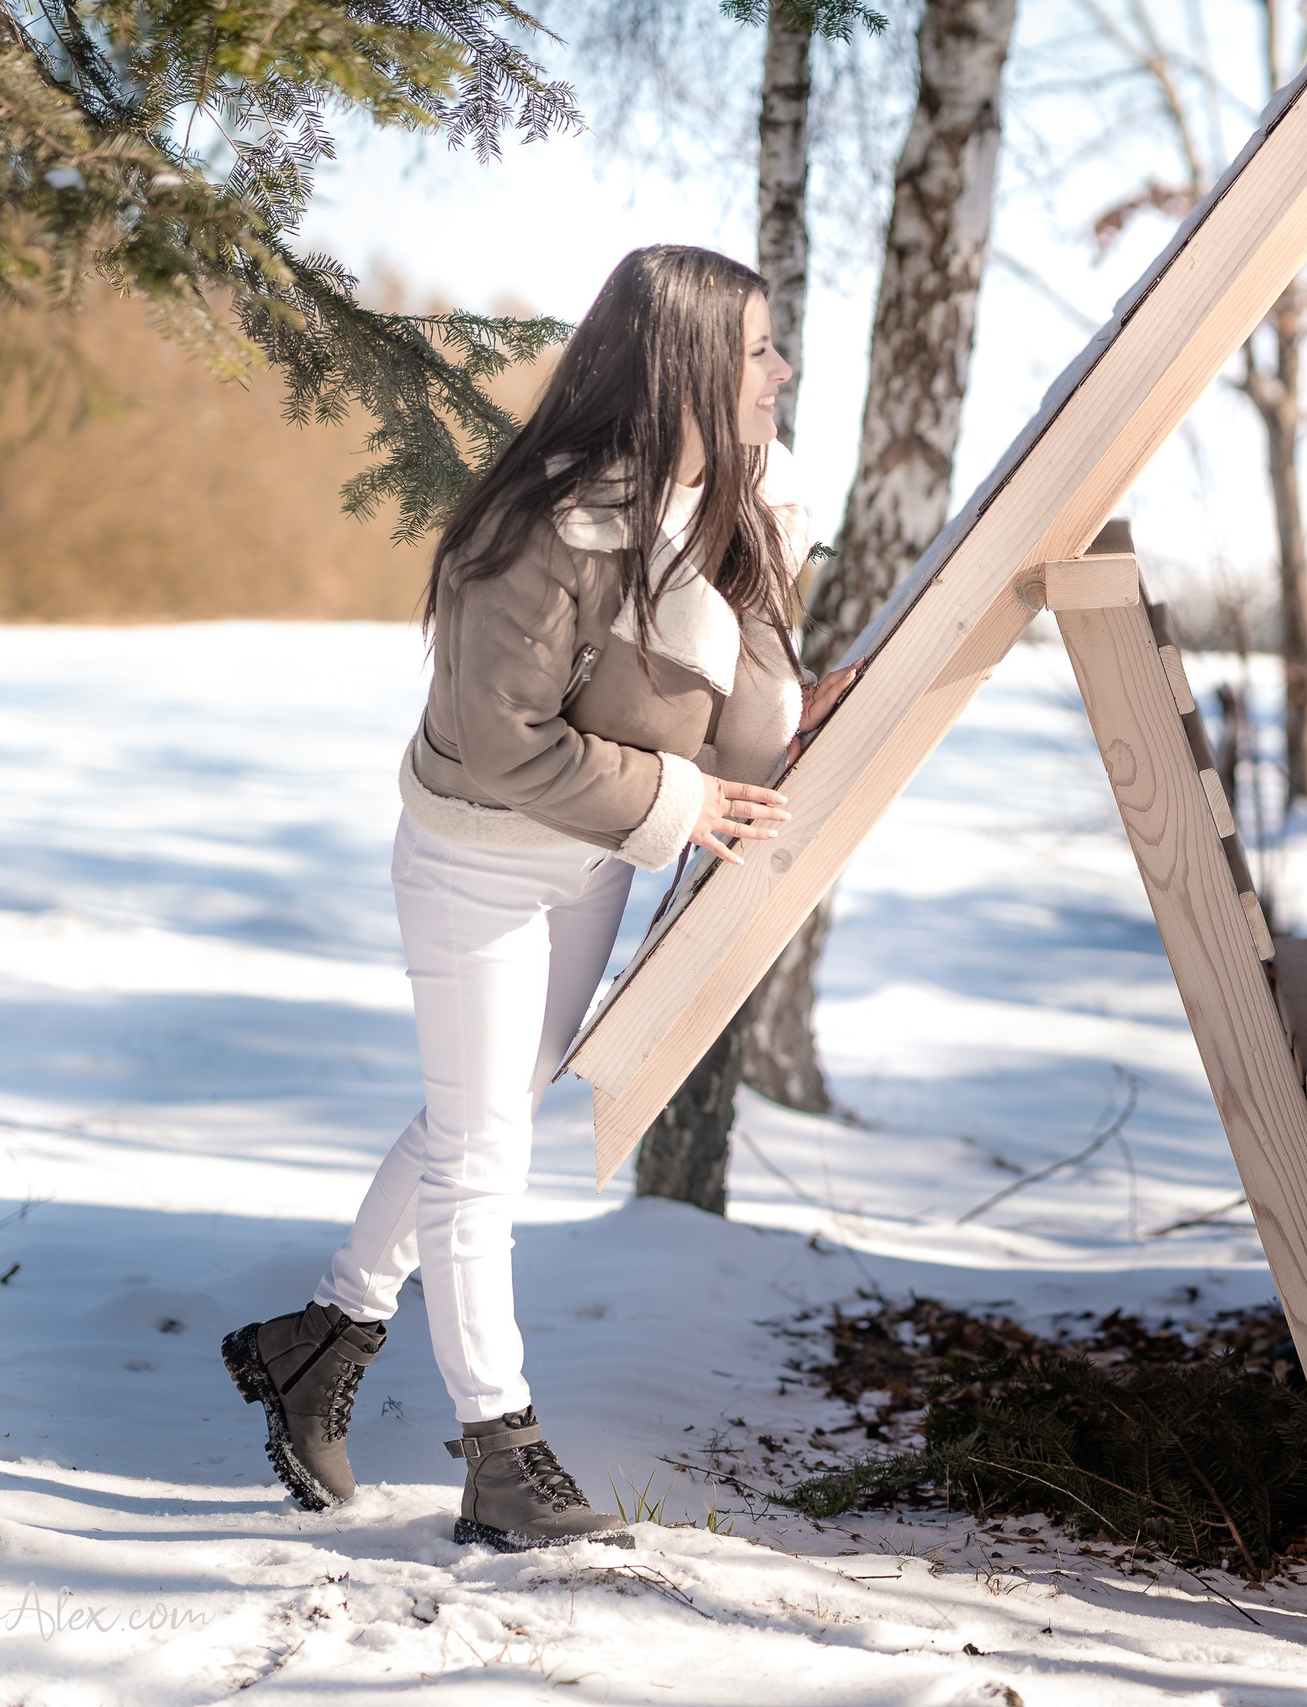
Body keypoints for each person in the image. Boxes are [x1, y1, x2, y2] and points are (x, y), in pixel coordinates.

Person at [221, 245, 854, 1552]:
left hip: (586, 853)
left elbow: (719, 718)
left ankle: (320, 1336)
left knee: (486, 1114)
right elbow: (497, 732)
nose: (780, 371)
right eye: (755, 352)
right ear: (678, 369)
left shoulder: (740, 500)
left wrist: (788, 717)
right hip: (478, 856)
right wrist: (680, 808)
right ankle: (500, 1452)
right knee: (483, 1153)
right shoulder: (546, 526)